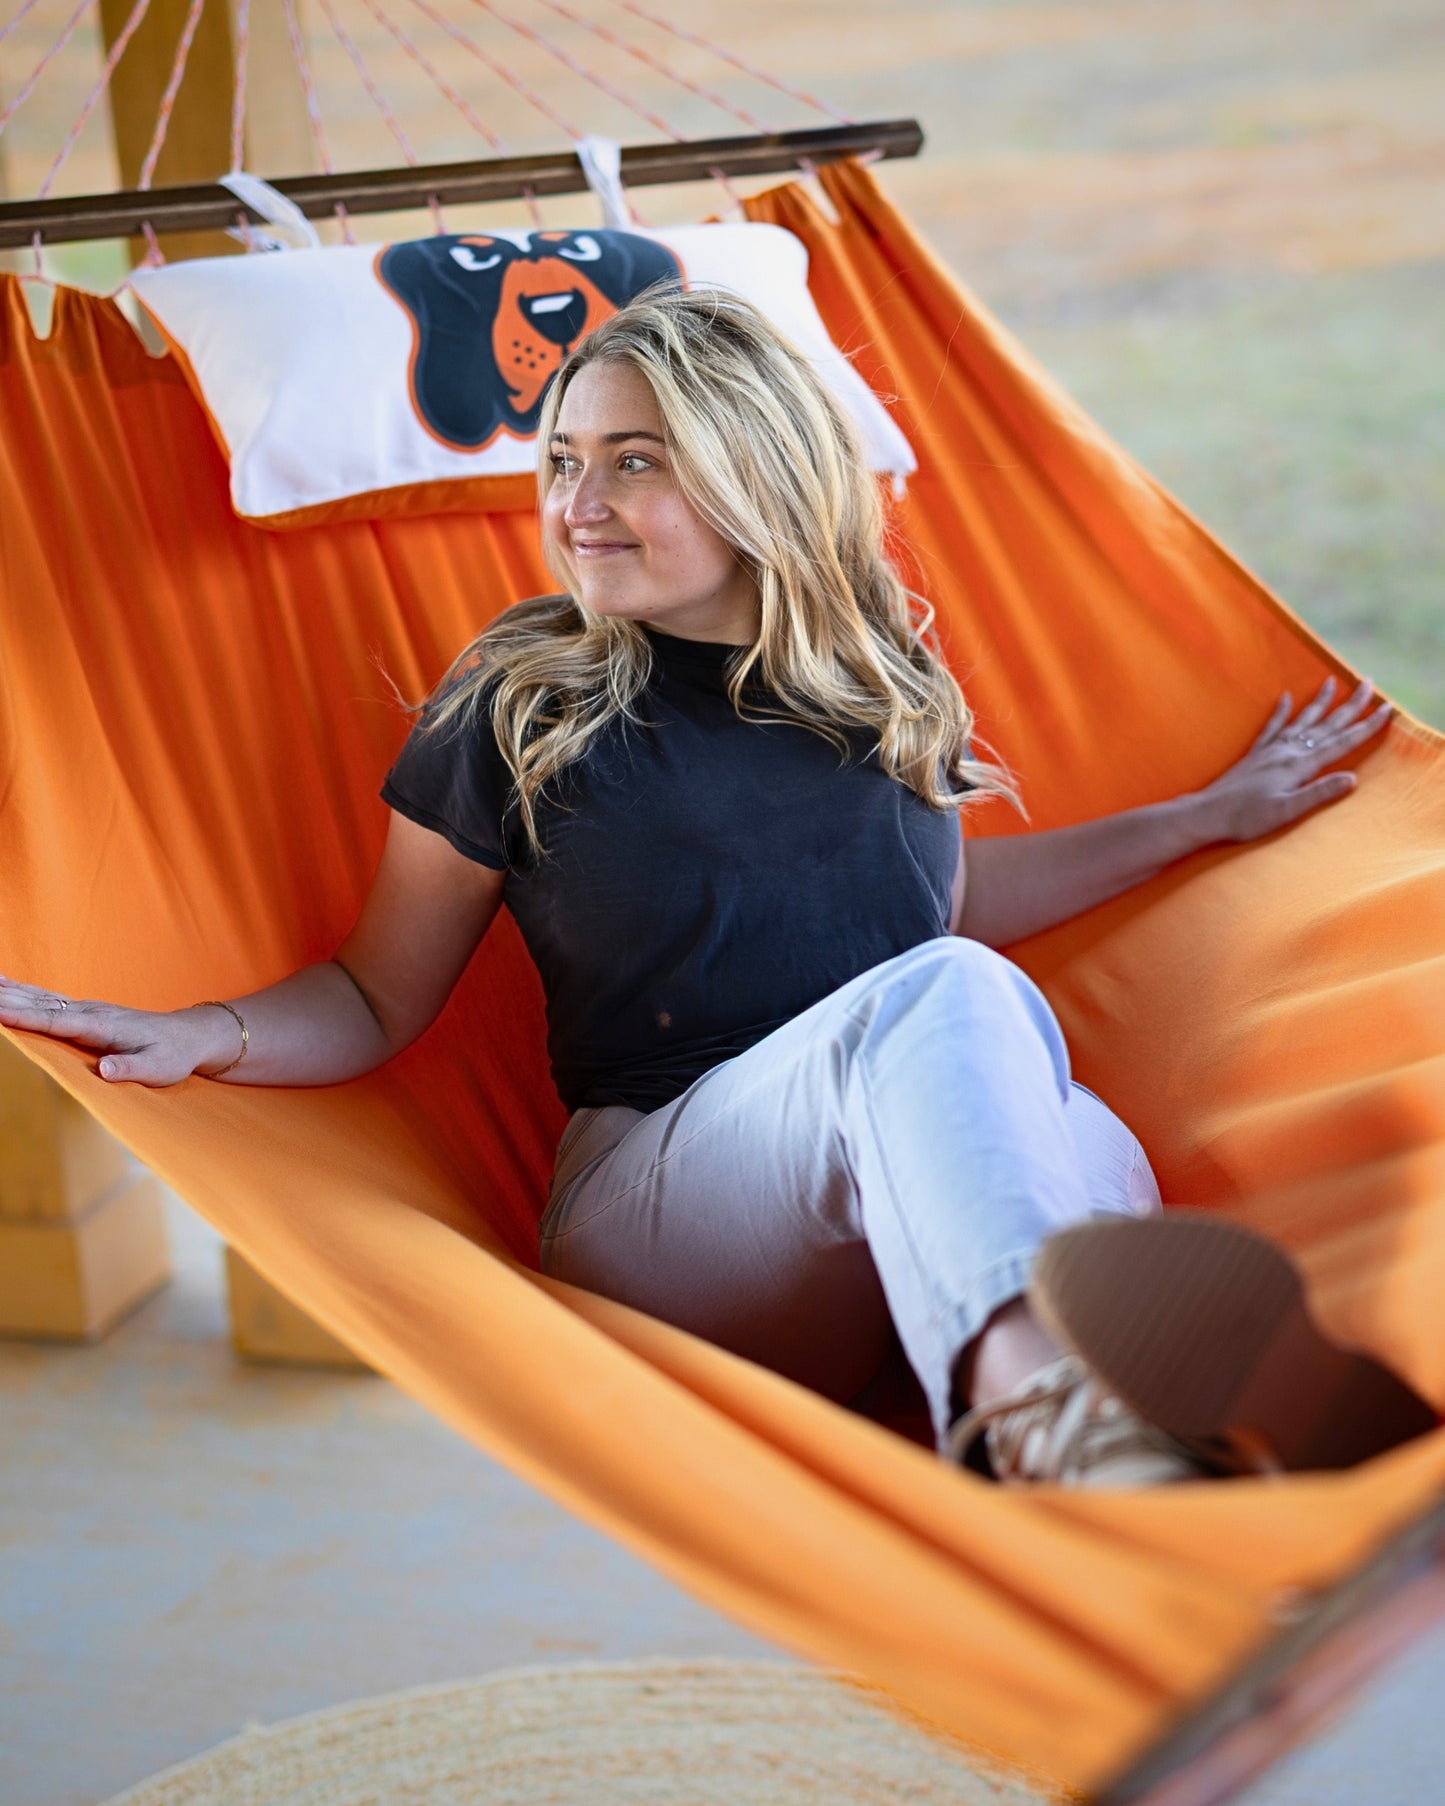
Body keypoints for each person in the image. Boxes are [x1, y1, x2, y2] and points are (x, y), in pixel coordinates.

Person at [0, 289, 1428, 1486]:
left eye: (635, 460)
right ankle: (1045, 1412)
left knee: (1041, 1095)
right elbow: (379, 990)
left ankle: (1182, 1415)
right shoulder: (522, 693)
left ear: (756, 471)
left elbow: (919, 916)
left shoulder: (874, 674)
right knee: (968, 1025)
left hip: (889, 1204)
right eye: (562, 460)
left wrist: (1200, 818)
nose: (578, 503)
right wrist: (207, 1030)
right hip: (667, 1217)